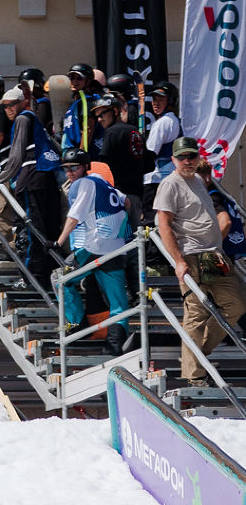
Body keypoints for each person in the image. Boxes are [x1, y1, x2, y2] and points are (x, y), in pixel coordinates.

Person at [155, 139, 246, 385]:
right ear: (173, 159)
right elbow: (163, 224)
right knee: (195, 313)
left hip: (213, 255)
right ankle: (193, 375)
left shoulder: (198, 180)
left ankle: (196, 356)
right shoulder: (170, 184)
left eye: (192, 156)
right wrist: (178, 260)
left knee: (236, 304)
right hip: (191, 254)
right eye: (183, 157)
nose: (188, 161)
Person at [54, 148, 135, 353]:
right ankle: (115, 343)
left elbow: (74, 217)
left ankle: (76, 325)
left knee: (59, 279)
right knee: (117, 298)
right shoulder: (101, 180)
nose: (70, 173)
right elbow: (127, 203)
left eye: (75, 167)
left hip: (96, 246)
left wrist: (58, 242)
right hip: (117, 246)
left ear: (85, 167)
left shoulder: (83, 184)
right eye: (66, 169)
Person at [0, 86, 66, 277]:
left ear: (23, 102)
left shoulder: (22, 118)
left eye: (12, 104)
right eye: (5, 106)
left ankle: (32, 277)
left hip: (31, 178)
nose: (9, 109)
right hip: (47, 177)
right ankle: (50, 274)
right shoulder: (36, 122)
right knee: (49, 228)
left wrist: (0, 178)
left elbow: (17, 154)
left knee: (31, 229)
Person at [92, 95, 148, 204]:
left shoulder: (111, 132)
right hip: (137, 193)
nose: (99, 119)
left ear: (115, 111)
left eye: (102, 114)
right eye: (97, 116)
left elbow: (103, 164)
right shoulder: (134, 130)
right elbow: (148, 162)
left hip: (118, 195)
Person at [143, 84, 182, 215]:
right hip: (171, 179)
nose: (156, 103)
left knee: (151, 222)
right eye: (154, 99)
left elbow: (150, 153)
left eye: (161, 99)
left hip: (156, 180)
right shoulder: (175, 120)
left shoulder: (163, 122)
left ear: (170, 101)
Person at [60, 62, 103, 152]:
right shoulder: (76, 103)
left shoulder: (87, 101)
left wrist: (82, 153)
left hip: (80, 154)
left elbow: (88, 129)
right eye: (72, 78)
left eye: (79, 78)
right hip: (70, 152)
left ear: (87, 81)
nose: (74, 81)